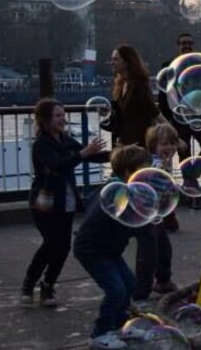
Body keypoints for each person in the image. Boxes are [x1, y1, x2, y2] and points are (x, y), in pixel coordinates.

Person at [20, 99, 108, 307]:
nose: (63, 119)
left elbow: (91, 156)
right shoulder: (41, 144)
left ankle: (48, 285)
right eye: (58, 116)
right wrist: (83, 153)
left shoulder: (66, 140)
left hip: (66, 201)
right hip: (45, 202)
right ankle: (29, 283)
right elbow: (56, 165)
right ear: (46, 120)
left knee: (63, 247)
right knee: (52, 243)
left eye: (64, 115)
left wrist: (120, 154)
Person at [73, 145, 152, 350]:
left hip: (108, 250)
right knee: (116, 290)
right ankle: (100, 334)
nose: (148, 176)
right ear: (128, 172)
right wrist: (148, 220)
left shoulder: (116, 188)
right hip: (92, 250)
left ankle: (119, 326)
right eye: (144, 171)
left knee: (129, 284)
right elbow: (131, 225)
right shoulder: (119, 195)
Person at [157, 33, 201, 209]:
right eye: (183, 43)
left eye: (189, 43)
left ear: (193, 45)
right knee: (184, 152)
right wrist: (167, 120)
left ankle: (191, 178)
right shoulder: (168, 66)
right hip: (178, 117)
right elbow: (163, 95)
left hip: (198, 115)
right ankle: (191, 190)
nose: (186, 46)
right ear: (178, 45)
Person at [133, 123, 181, 302]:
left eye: (172, 143)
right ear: (153, 145)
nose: (169, 147)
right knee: (148, 253)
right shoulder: (155, 163)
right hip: (146, 214)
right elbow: (153, 183)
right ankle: (141, 290)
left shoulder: (164, 163)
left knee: (163, 248)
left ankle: (163, 280)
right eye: (164, 144)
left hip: (155, 214)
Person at [104, 44, 159, 148]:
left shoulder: (139, 84)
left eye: (116, 59)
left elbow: (152, 110)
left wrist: (172, 134)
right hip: (123, 140)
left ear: (127, 62)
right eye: (112, 59)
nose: (112, 63)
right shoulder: (121, 83)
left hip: (138, 141)